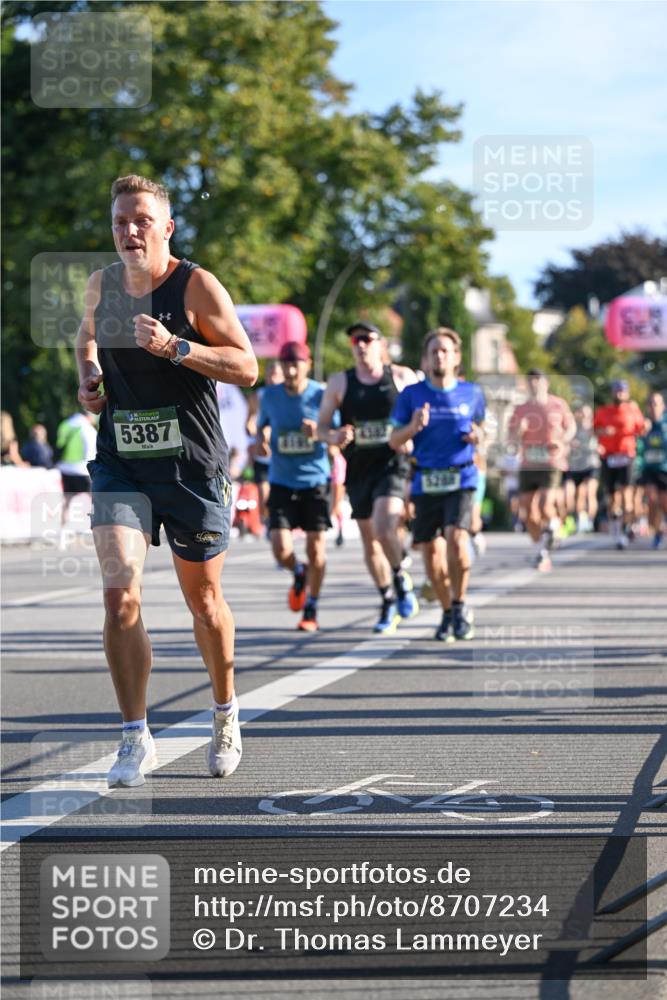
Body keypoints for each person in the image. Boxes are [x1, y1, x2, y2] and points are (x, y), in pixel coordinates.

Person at [76, 174, 257, 788]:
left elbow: (246, 366)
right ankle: (135, 736)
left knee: (203, 604)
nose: (129, 230)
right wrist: (90, 381)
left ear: (167, 227)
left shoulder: (195, 284)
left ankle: (226, 711)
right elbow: (86, 341)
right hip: (121, 461)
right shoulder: (102, 285)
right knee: (119, 593)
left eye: (141, 220)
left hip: (191, 467)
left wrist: (178, 348)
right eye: (120, 220)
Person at [317, 321, 419, 634]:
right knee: (370, 545)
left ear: (380, 344)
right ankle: (388, 599)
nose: (359, 345)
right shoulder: (340, 382)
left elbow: (421, 418)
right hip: (359, 469)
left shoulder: (401, 377)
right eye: (354, 341)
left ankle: (400, 577)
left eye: (366, 339)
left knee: (385, 524)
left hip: (392, 463)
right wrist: (334, 436)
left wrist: (413, 436)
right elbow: (321, 429)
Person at [389, 328, 485, 641]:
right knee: (431, 555)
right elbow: (393, 439)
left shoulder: (472, 393)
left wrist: (479, 436)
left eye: (445, 351)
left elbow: (484, 429)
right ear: (426, 359)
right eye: (434, 351)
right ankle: (447, 611)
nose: (439, 356)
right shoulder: (412, 395)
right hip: (425, 479)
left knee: (456, 540)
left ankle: (459, 604)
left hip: (462, 476)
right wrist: (413, 427)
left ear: (456, 357)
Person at [256, 341, 332, 631]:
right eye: (285, 364)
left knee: (317, 551)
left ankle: (311, 606)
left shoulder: (321, 395)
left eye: (296, 363)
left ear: (307, 364)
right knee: (279, 548)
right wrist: (261, 438)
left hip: (314, 481)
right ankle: (298, 572)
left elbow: (335, 433)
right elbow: (261, 425)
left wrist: (320, 433)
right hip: (281, 481)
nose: (290, 369)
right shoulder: (270, 396)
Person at [508, 369, 576, 571]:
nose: (534, 384)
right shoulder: (520, 409)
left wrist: (562, 440)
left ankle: (555, 526)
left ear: (545, 383)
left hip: (552, 461)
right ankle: (540, 551)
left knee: (546, 504)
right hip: (529, 463)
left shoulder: (558, 404)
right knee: (529, 513)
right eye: (530, 380)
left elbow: (571, 427)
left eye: (537, 380)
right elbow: (511, 437)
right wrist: (518, 431)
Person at [593, 380, 645, 549]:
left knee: (627, 494)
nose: (619, 394)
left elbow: (642, 430)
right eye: (617, 391)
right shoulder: (603, 411)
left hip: (626, 455)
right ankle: (616, 527)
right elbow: (594, 429)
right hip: (609, 457)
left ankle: (627, 528)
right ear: (612, 393)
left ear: (627, 393)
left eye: (622, 391)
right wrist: (604, 432)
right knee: (613, 497)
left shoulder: (633, 410)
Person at [246, 359, 284, 526]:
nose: (272, 378)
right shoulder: (258, 396)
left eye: (276, 374)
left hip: (281, 455)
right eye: (270, 374)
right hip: (262, 455)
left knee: (281, 492)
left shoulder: (288, 395)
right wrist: (256, 433)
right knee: (263, 494)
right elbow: (249, 422)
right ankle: (270, 521)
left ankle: (279, 522)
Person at [55, 410, 97, 543]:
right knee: (95, 501)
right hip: (82, 469)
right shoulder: (87, 427)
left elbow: (59, 444)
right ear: (89, 416)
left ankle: (62, 534)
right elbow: (91, 450)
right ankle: (97, 530)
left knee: (66, 502)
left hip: (65, 468)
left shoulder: (65, 424)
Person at [562, 403, 599, 533]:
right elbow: (563, 441)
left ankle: (588, 520)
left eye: (586, 413)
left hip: (590, 466)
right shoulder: (572, 428)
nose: (583, 415)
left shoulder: (595, 428)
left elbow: (603, 444)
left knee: (587, 493)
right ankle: (571, 519)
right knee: (568, 494)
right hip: (574, 467)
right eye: (580, 412)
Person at [639, 390, 667, 549]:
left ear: (662, 406)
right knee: (652, 499)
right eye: (650, 404)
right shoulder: (644, 424)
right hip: (649, 468)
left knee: (664, 503)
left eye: (656, 404)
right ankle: (657, 532)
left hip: (665, 468)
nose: (653, 407)